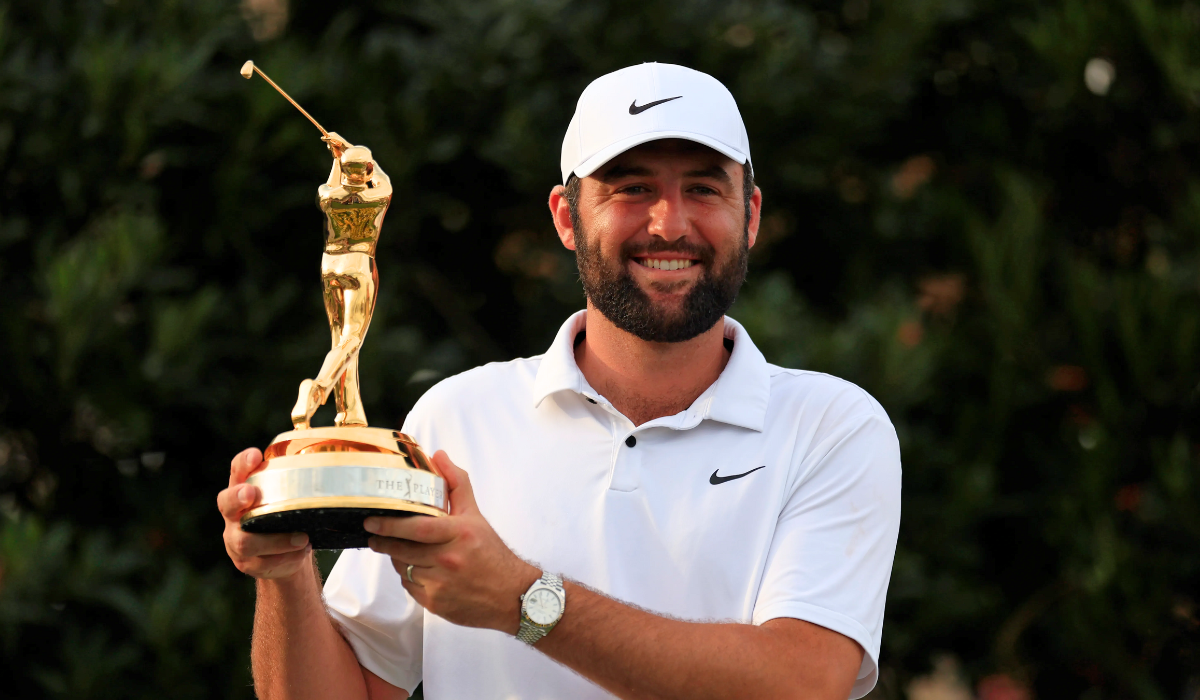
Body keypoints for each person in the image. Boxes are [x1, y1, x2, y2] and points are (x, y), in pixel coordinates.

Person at [218, 62, 901, 700]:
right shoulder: (458, 416)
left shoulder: (832, 426)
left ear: (749, 216)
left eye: (703, 187)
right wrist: (284, 578)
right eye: (632, 188)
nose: (671, 222)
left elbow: (804, 679)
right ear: (566, 219)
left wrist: (522, 601)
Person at [291, 132, 392, 430]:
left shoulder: (328, 196)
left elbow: (334, 184)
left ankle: (349, 413)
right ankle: (318, 387)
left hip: (330, 264)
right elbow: (382, 178)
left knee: (340, 341)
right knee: (352, 338)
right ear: (367, 171)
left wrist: (338, 157)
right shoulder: (378, 196)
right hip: (359, 264)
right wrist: (344, 147)